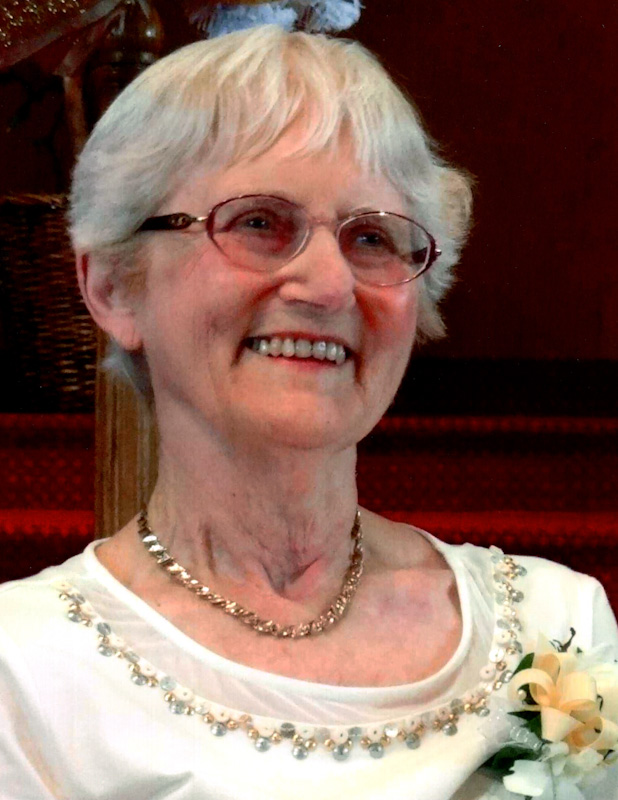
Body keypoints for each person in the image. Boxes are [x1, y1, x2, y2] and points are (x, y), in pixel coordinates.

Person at [0, 25, 616, 800]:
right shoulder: (25, 675)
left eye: (372, 237)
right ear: (113, 288)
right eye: (258, 223)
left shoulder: (557, 634)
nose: (329, 285)